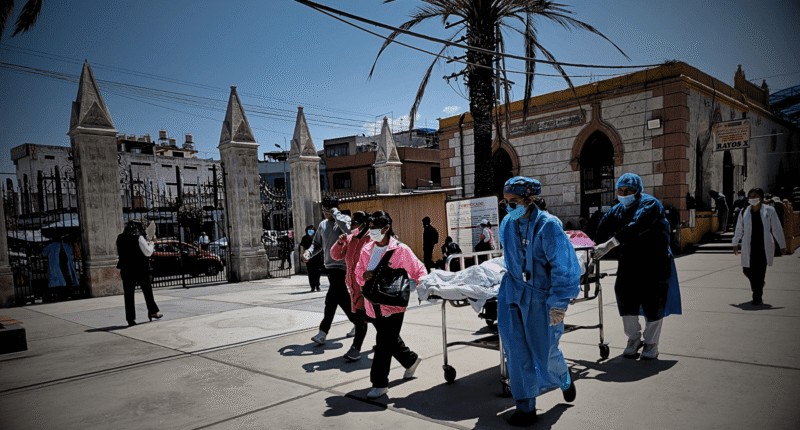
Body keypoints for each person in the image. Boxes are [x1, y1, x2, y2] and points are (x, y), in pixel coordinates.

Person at [497, 177, 582, 426]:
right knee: (515, 352)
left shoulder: (549, 226)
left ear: (530, 199)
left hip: (541, 298)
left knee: (546, 352)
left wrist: (559, 303)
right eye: (506, 202)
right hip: (513, 293)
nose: (510, 208)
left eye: (514, 202)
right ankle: (525, 407)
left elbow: (564, 267)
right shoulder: (507, 223)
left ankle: (563, 376)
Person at [594, 173, 682, 362]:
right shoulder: (616, 211)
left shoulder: (650, 204)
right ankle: (633, 338)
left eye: (628, 190)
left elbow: (637, 225)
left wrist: (609, 244)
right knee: (625, 297)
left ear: (638, 191)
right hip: (629, 262)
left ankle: (651, 343)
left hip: (654, 262)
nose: (623, 194)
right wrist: (591, 249)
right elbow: (602, 229)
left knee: (653, 301)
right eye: (620, 190)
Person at [355, 210, 428, 399]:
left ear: (386, 228)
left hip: (393, 305)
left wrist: (424, 288)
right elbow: (358, 273)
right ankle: (410, 360)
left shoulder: (400, 250)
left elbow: (419, 269)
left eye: (375, 228)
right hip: (373, 304)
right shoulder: (367, 249)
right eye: (370, 227)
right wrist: (363, 275)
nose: (371, 231)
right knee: (389, 339)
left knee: (383, 343)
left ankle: (379, 384)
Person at [302, 196, 365, 350]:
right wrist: (308, 253)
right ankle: (358, 323)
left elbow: (350, 231)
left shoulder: (344, 220)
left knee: (331, 300)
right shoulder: (323, 224)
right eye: (324, 210)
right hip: (330, 267)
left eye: (329, 210)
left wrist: (336, 214)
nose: (326, 213)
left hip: (343, 267)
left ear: (336, 208)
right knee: (341, 299)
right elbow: (317, 244)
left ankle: (323, 332)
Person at [732, 188, 786, 305]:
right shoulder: (744, 211)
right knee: (747, 270)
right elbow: (739, 228)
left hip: (763, 246)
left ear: (760, 197)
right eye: (750, 196)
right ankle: (759, 285)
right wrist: (735, 242)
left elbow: (776, 228)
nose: (752, 198)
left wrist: (782, 244)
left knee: (760, 272)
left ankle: (757, 296)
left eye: (755, 195)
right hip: (749, 246)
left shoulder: (769, 210)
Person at [331, 211, 373, 361]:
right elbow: (336, 255)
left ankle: (355, 348)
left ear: (363, 224)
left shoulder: (372, 240)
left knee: (362, 318)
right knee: (372, 319)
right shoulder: (350, 239)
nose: (351, 225)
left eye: (354, 223)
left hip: (368, 288)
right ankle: (388, 343)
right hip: (354, 288)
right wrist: (339, 242)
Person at [116, 220, 162, 327]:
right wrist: (152, 243)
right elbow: (148, 252)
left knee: (128, 294)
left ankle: (130, 319)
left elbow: (116, 252)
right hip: (141, 268)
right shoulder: (139, 237)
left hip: (126, 269)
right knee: (147, 291)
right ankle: (152, 311)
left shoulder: (120, 238)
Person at [300, 225, 322, 292]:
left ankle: (317, 286)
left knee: (317, 272)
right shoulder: (304, 238)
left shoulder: (317, 237)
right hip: (308, 257)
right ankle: (312, 286)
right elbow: (303, 248)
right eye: (309, 229)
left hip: (317, 256)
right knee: (310, 272)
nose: (311, 231)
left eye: (312, 229)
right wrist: (305, 256)